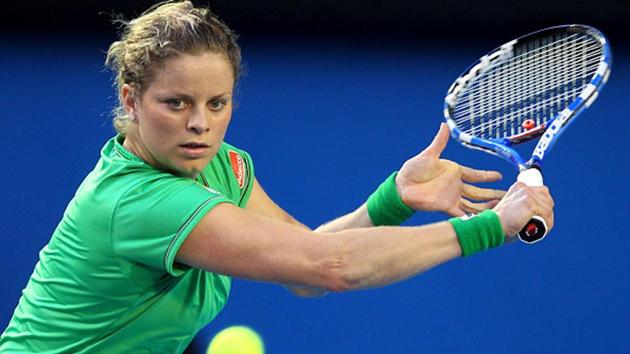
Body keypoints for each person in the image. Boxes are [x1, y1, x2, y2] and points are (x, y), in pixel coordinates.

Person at [0, 1, 555, 353]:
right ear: (131, 100)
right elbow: (332, 268)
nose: (200, 123)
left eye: (217, 103)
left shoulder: (221, 164)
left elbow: (304, 266)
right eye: (176, 103)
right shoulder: (137, 201)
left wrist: (392, 199)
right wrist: (493, 228)